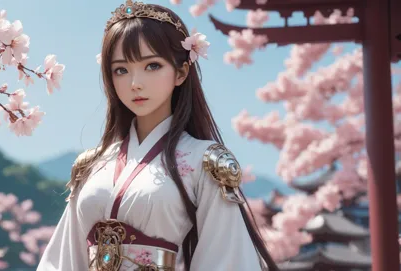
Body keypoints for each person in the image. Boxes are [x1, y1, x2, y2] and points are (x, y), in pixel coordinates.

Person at [37, 1, 278, 270]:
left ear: (181, 71)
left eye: (151, 66)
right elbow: (63, 260)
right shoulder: (91, 165)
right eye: (121, 70)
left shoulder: (206, 163)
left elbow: (225, 260)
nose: (135, 83)